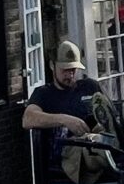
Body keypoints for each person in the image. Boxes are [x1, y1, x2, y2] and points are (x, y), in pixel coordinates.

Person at [21, 41, 101, 175]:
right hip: (62, 162)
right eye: (65, 70)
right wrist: (64, 120)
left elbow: (109, 114)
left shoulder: (90, 87)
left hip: (93, 152)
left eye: (73, 70)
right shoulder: (43, 93)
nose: (70, 75)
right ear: (52, 65)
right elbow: (28, 119)